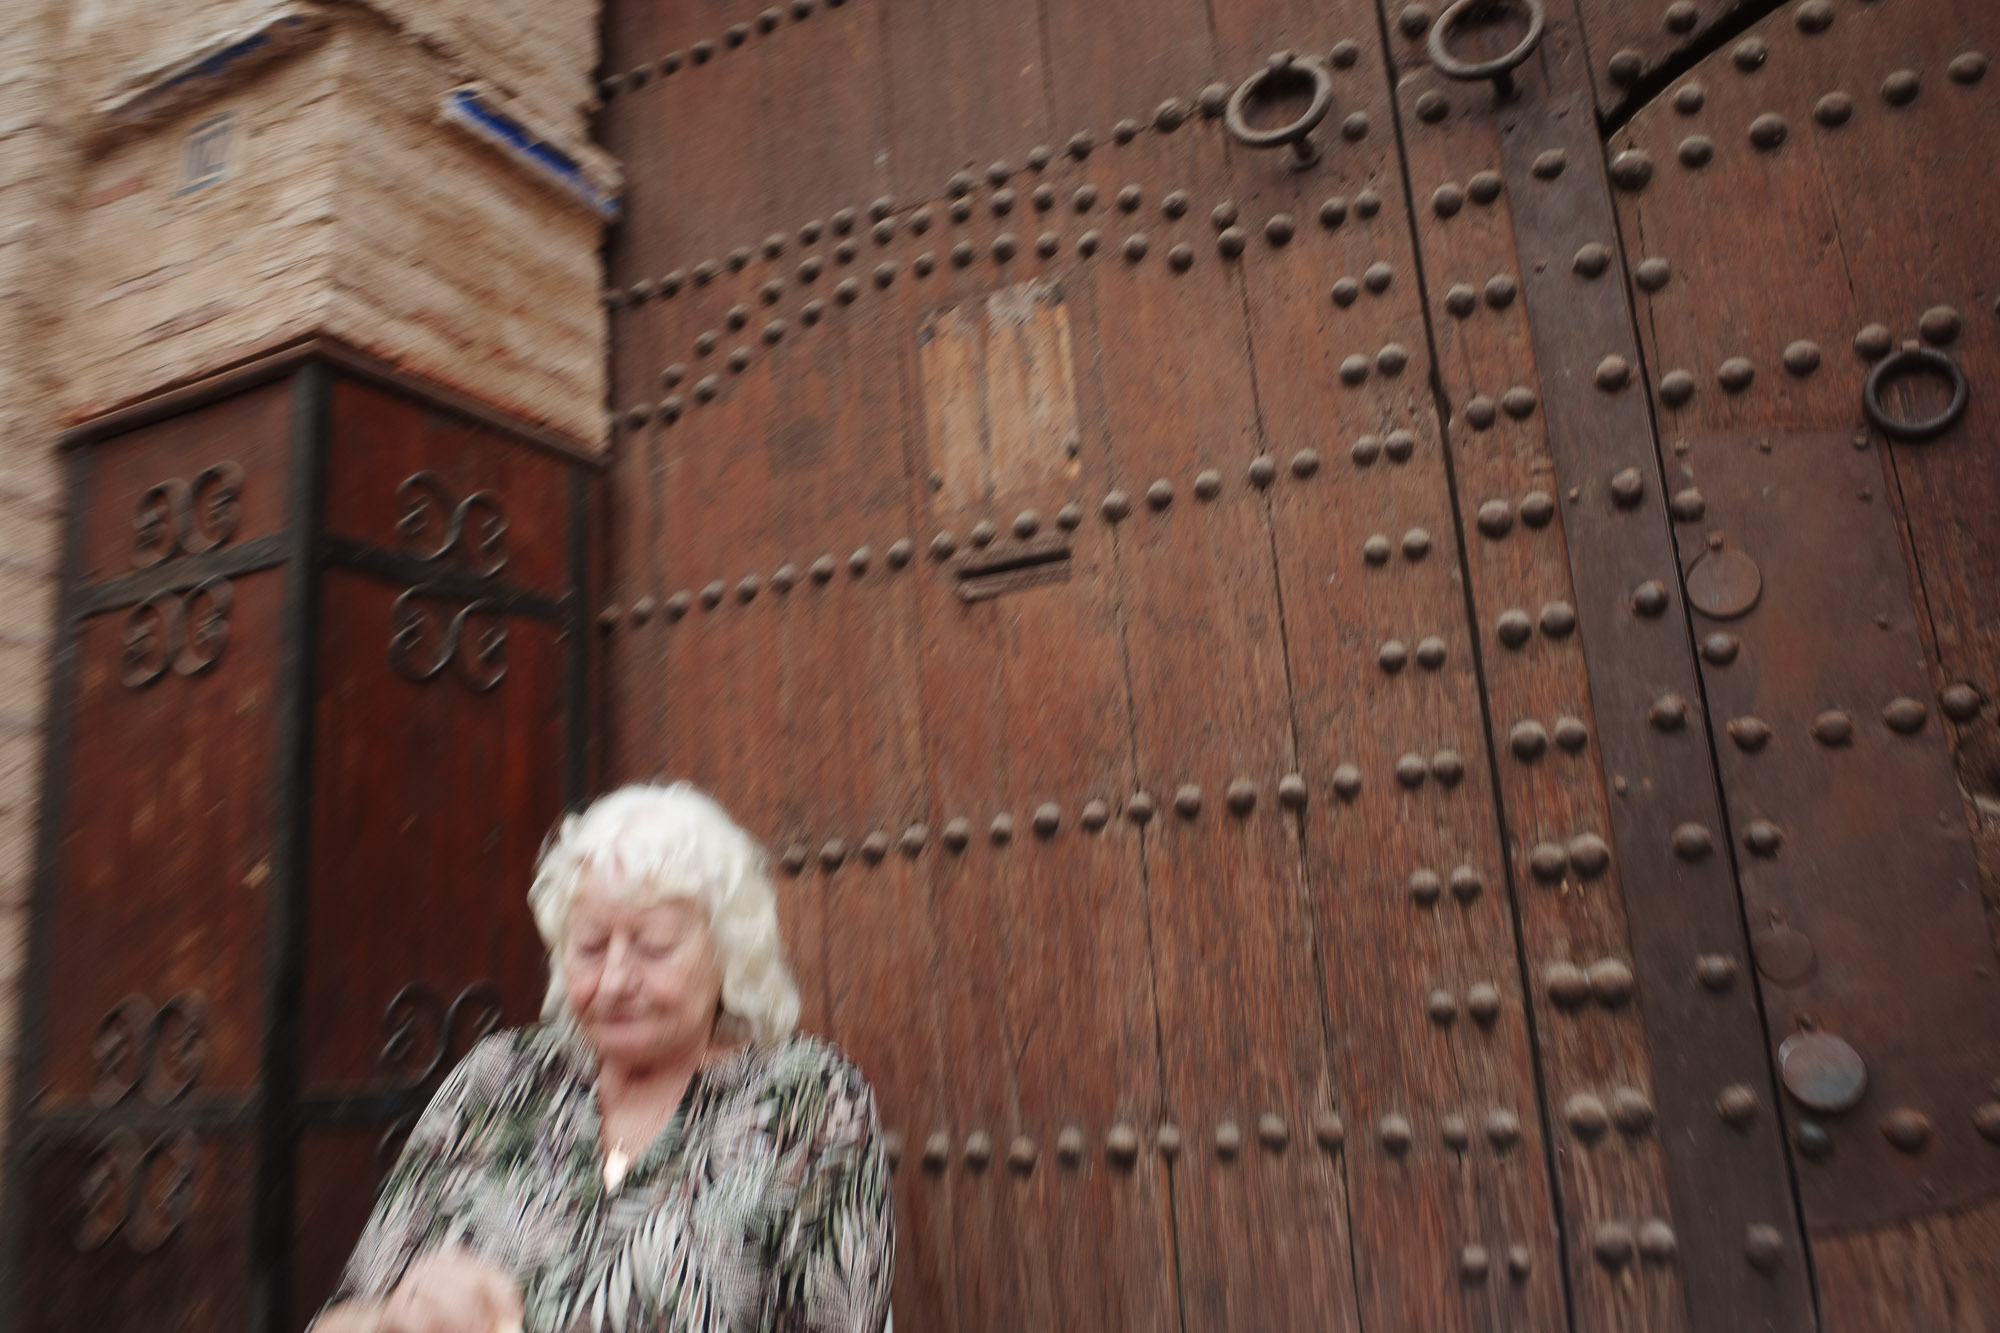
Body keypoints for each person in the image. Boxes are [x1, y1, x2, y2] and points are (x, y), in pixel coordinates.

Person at [311, 783, 896, 1333]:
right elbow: (341, 1316)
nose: (615, 980)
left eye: (654, 947)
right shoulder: (499, 1079)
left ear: (729, 956)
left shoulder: (806, 1103)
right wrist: (391, 1319)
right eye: (590, 947)